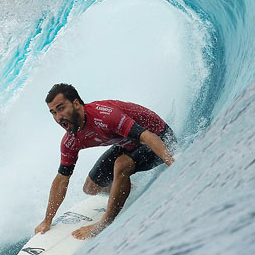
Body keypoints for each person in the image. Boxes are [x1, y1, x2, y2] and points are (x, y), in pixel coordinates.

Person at [36, 83, 176, 240]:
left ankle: (105, 222)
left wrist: (174, 165)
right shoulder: (70, 140)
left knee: (121, 165)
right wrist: (47, 220)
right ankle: (124, 187)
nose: (58, 117)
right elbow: (62, 179)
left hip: (160, 137)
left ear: (76, 104)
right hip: (127, 144)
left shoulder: (104, 116)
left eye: (61, 108)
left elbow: (146, 136)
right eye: (53, 113)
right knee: (91, 187)